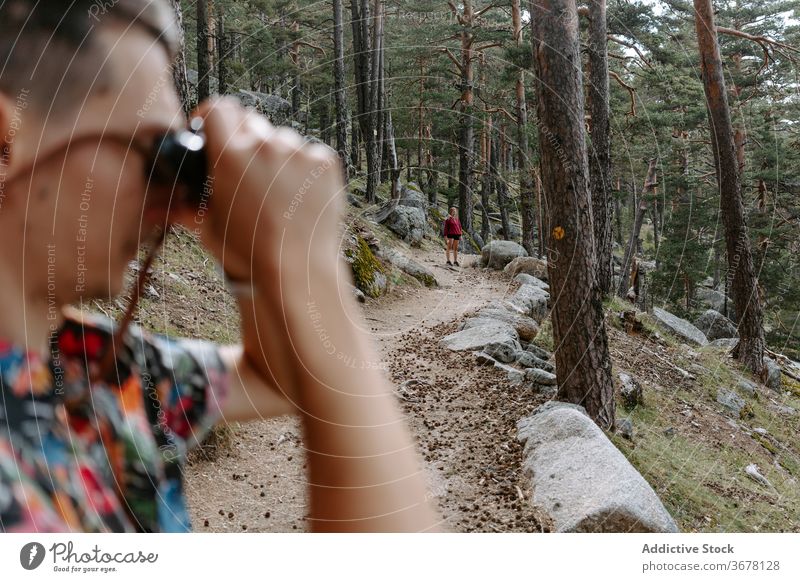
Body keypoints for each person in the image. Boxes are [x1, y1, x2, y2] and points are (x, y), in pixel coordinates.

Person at [0, 0, 439, 533]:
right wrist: (313, 271)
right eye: (154, 155)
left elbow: (274, 380)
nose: (167, 201)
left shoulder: (106, 370)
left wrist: (249, 262)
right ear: (6, 142)